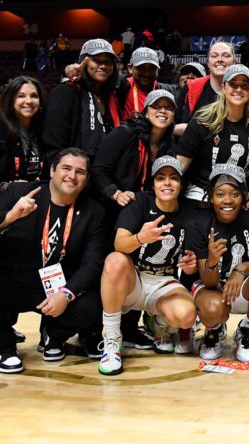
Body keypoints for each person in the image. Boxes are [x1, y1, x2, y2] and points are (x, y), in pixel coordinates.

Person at [0, 149, 106, 372]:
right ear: (53, 170)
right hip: (12, 279)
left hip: (54, 286)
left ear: (86, 179)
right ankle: (5, 348)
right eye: (66, 168)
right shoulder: (21, 191)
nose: (72, 176)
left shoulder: (94, 211)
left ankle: (53, 337)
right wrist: (10, 217)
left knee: (91, 304)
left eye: (80, 172)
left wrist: (66, 293)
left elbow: (92, 263)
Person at [98, 157, 205, 375]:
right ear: (153, 184)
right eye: (161, 178)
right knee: (114, 260)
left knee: (186, 315)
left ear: (181, 185)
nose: (167, 183)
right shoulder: (140, 202)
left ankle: (158, 321)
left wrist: (192, 265)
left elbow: (192, 261)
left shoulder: (190, 213)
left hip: (164, 281)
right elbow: (119, 244)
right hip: (134, 279)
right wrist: (141, 238)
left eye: (173, 178)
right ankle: (111, 340)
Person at [192, 164, 249, 364]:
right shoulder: (200, 222)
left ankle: (246, 330)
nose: (228, 200)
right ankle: (213, 330)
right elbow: (209, 281)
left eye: (235, 194)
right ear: (211, 197)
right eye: (220, 194)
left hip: (244, 286)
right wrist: (212, 261)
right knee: (213, 310)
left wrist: (241, 269)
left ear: (243, 196)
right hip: (213, 287)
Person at [176, 64, 249, 208]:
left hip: (237, 195)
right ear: (223, 88)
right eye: (233, 84)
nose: (238, 89)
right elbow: (181, 163)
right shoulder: (203, 119)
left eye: (244, 85)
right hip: (200, 193)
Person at [93, 89, 176, 215]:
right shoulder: (124, 133)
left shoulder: (171, 144)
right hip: (109, 208)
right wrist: (116, 194)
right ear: (146, 113)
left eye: (168, 107)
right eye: (156, 106)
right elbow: (98, 170)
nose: (163, 111)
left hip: (142, 209)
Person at [42, 39, 123, 166]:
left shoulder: (114, 96)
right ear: (83, 63)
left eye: (107, 62)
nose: (102, 66)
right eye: (96, 60)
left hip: (104, 173)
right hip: (72, 174)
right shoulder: (64, 93)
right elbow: (53, 146)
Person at [0, 76, 47, 210]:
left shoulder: (44, 129)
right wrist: (8, 186)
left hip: (34, 202)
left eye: (34, 96)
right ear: (11, 100)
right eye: (21, 96)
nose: (28, 101)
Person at [176, 41, 236, 132]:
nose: (220, 59)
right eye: (214, 56)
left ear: (234, 62)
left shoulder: (244, 91)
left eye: (226, 55)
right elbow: (174, 127)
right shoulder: (190, 88)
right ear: (208, 63)